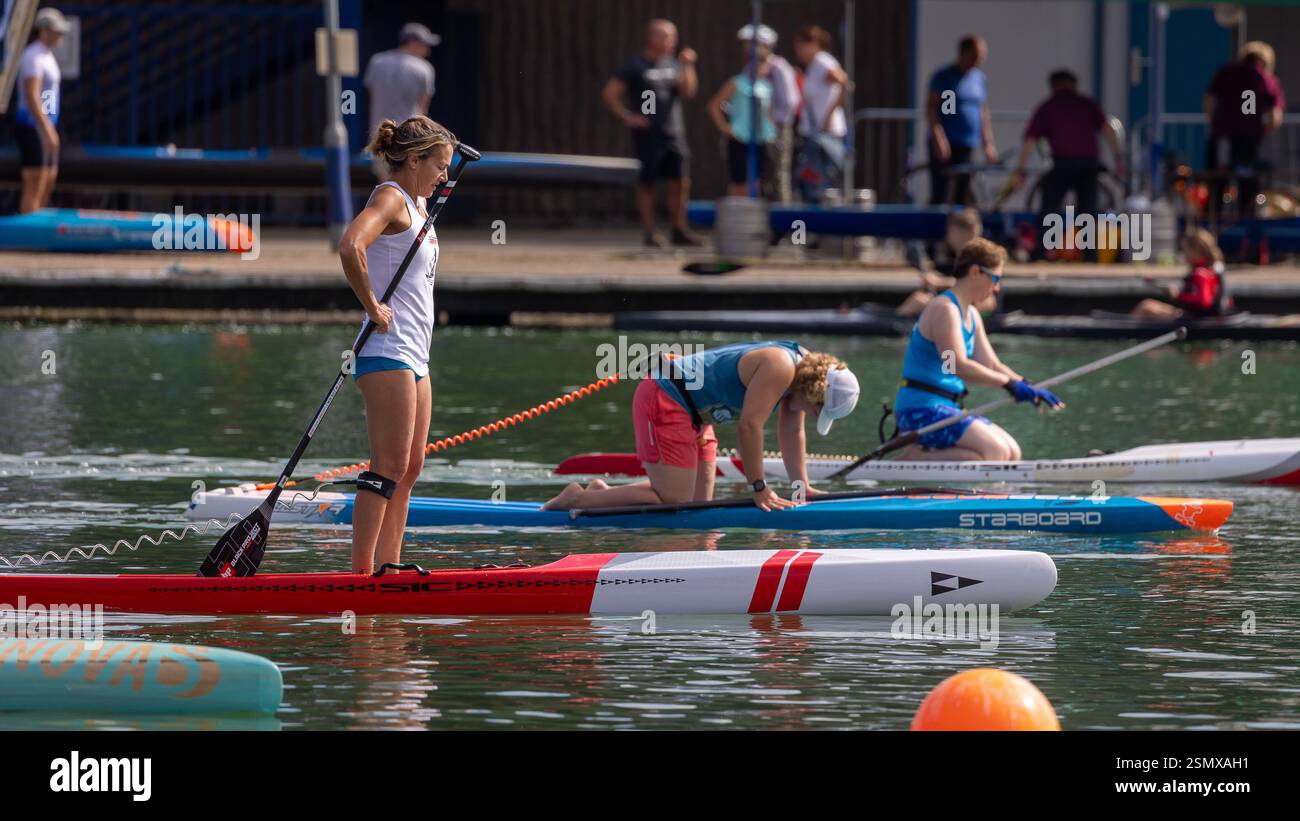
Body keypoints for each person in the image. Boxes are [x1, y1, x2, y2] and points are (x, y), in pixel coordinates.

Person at [338, 116, 455, 574]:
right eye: (438, 166)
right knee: (388, 463)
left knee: (410, 468)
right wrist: (371, 305)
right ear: (413, 160)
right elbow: (351, 246)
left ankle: (391, 567)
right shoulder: (391, 197)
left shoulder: (422, 206)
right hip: (386, 350)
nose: (444, 175)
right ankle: (361, 575)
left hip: (416, 354)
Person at [544, 342, 860, 512]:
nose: (810, 415)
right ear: (815, 396)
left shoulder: (800, 384)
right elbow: (749, 427)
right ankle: (578, 499)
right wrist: (759, 489)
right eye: (818, 411)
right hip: (665, 397)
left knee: (697, 510)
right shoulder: (780, 367)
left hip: (698, 415)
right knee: (677, 501)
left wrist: (801, 487)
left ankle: (606, 495)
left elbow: (793, 433)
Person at [893, 238, 1063, 462]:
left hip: (946, 407)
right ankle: (912, 458)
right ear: (975, 272)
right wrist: (1009, 385)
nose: (997, 287)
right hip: (920, 410)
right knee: (997, 452)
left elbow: (992, 364)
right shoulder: (945, 310)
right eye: (995, 278)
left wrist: (1028, 385)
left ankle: (924, 456)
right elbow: (956, 367)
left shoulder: (971, 314)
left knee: (1012, 452)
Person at [1008, 70, 1125, 262]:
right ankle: (1090, 257)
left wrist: (1020, 170)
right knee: (1088, 212)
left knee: (1048, 209)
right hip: (1089, 165)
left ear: (1054, 86)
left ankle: (1040, 253)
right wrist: (1118, 158)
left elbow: (1030, 141)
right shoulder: (1086, 104)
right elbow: (1108, 130)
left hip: (1062, 164)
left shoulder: (1048, 106)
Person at [603, 19, 700, 247]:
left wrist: (688, 65)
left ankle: (679, 229)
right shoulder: (636, 65)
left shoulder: (673, 64)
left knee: (680, 181)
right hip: (648, 134)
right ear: (652, 38)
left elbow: (689, 91)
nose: (672, 42)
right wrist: (628, 116)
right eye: (667, 37)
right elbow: (610, 93)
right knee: (648, 183)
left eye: (674, 37)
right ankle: (650, 232)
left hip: (673, 132)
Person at [1203, 41, 1285, 223]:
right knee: (1247, 186)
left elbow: (1209, 100)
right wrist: (1262, 130)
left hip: (1221, 137)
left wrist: (1216, 122)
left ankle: (1211, 225)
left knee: (1216, 182)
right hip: (1248, 140)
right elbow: (1275, 116)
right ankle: (1245, 230)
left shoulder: (1226, 72)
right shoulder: (1265, 78)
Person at [925, 35, 997, 206]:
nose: (979, 60)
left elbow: (982, 111)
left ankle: (958, 230)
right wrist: (939, 137)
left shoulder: (978, 79)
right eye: (975, 55)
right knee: (941, 192)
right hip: (947, 142)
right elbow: (932, 108)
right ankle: (935, 228)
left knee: (962, 193)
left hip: (967, 144)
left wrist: (988, 143)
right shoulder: (944, 77)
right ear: (964, 53)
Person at [707, 25, 777, 196]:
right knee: (739, 180)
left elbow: (768, 112)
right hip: (740, 137)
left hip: (761, 138)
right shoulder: (736, 83)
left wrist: (773, 131)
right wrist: (725, 128)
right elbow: (714, 106)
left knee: (758, 181)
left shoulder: (767, 86)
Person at [363, 23, 440, 180]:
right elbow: (422, 110)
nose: (428, 50)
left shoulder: (377, 62)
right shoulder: (425, 69)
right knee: (410, 189)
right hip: (410, 138)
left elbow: (372, 100)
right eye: (425, 45)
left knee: (386, 186)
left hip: (380, 134)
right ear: (413, 42)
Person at [16, 7, 69, 213]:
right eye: (57, 30)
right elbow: (32, 95)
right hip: (32, 126)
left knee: (49, 178)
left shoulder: (47, 56)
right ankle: (27, 232)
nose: (60, 35)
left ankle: (38, 219)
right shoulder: (34, 56)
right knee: (34, 181)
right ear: (44, 30)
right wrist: (45, 128)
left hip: (46, 124)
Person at [897, 208, 991, 317]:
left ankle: (893, 323)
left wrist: (939, 282)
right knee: (918, 299)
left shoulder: (979, 258)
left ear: (963, 233)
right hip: (957, 305)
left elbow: (975, 285)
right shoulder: (961, 259)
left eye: (951, 231)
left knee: (917, 302)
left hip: (973, 307)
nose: (948, 236)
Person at [792, 25, 848, 202]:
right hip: (813, 133)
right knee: (810, 182)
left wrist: (829, 115)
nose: (798, 52)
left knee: (823, 183)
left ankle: (828, 224)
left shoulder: (824, 62)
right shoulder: (812, 67)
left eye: (801, 46)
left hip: (826, 135)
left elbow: (845, 84)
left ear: (813, 44)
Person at [1130, 229, 1232, 320]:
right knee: (1148, 304)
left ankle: (1128, 330)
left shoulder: (1200, 274)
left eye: (1185, 250)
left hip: (1194, 318)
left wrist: (1178, 296)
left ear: (1195, 251)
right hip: (1195, 315)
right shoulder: (1210, 269)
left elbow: (1203, 302)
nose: (1184, 254)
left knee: (1146, 307)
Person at [761, 28, 801, 203]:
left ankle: (785, 220)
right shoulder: (752, 68)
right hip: (760, 128)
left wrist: (775, 121)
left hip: (778, 127)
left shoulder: (779, 67)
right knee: (764, 174)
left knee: (779, 173)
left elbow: (791, 99)